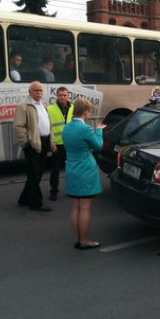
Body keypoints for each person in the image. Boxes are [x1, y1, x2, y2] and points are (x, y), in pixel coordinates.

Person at [62, 98, 106, 249]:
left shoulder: (66, 128)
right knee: (85, 207)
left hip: (72, 169)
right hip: (85, 170)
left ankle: (77, 238)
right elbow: (98, 146)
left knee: (75, 206)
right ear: (86, 112)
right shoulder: (85, 129)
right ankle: (85, 240)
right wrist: (99, 130)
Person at [13, 81, 56, 212]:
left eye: (40, 90)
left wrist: (51, 141)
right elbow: (18, 126)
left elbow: (48, 124)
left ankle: (24, 199)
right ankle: (36, 203)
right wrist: (26, 143)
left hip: (44, 141)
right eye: (36, 90)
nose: (39, 93)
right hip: (33, 143)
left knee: (37, 173)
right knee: (34, 173)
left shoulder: (43, 104)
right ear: (30, 92)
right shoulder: (23, 106)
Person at [47, 86, 73, 201]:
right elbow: (48, 128)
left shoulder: (74, 109)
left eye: (65, 95)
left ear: (68, 96)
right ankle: (54, 191)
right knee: (55, 169)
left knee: (71, 169)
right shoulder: (50, 109)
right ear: (57, 96)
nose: (63, 97)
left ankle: (71, 189)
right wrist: (51, 142)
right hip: (57, 144)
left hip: (70, 144)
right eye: (60, 95)